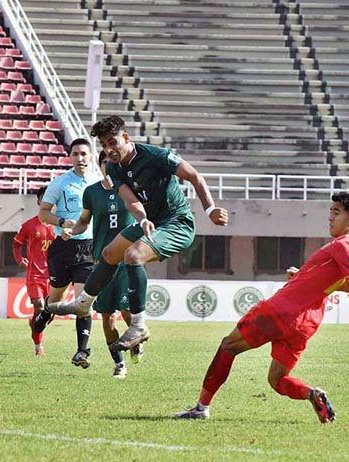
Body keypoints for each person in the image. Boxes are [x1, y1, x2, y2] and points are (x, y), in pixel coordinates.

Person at [175, 192, 349, 422]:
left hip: (281, 311)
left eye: (337, 212)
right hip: (305, 325)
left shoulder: (343, 246)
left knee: (228, 346)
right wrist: (303, 276)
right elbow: (343, 285)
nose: (330, 217)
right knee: (277, 379)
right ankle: (312, 393)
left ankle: (201, 408)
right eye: (330, 211)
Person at [46, 115, 229, 353]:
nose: (109, 150)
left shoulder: (156, 156)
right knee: (110, 252)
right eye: (104, 145)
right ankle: (84, 303)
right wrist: (142, 219)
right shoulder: (112, 167)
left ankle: (140, 325)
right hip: (149, 221)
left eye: (112, 142)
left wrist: (210, 209)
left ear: (126, 137)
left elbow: (195, 176)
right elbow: (131, 201)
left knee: (133, 255)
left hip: (176, 222)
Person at [63, 151, 139, 378]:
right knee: (107, 316)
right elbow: (83, 222)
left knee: (127, 310)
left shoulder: (129, 189)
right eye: (106, 162)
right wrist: (71, 231)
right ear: (101, 166)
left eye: (115, 162)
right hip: (101, 262)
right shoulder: (92, 192)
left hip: (126, 260)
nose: (111, 166)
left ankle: (136, 337)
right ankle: (119, 364)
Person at [32, 137, 101, 368]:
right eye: (76, 154)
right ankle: (45, 313)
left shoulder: (100, 183)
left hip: (89, 248)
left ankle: (82, 352)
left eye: (84, 153)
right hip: (63, 248)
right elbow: (43, 213)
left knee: (84, 302)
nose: (80, 158)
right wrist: (61, 222)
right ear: (70, 157)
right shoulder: (60, 183)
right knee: (56, 299)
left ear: (91, 156)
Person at [12, 186, 56, 356]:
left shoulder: (60, 226)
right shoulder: (29, 225)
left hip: (53, 277)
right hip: (35, 274)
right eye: (44, 198)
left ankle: (35, 326)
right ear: (39, 202)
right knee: (39, 307)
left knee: (49, 314)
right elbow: (16, 244)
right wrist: (19, 259)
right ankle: (38, 346)